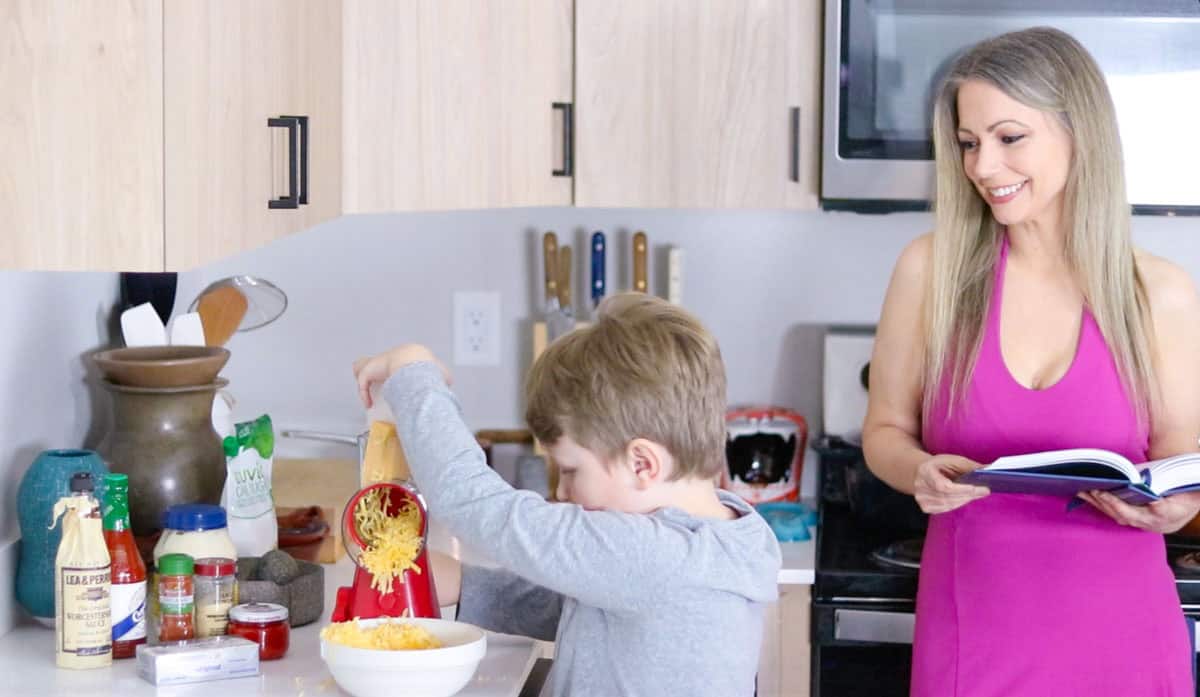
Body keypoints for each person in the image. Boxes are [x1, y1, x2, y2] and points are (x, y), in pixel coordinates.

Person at [863, 26, 1200, 697]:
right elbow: (883, 434)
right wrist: (917, 470)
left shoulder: (1159, 293)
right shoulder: (931, 272)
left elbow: (1184, 461)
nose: (983, 166)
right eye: (968, 143)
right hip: (973, 638)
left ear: (1080, 134)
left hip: (1126, 644)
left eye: (1009, 137)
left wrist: (1178, 505)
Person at [353, 292, 781, 697]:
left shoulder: (651, 552)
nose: (561, 490)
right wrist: (469, 586)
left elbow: (470, 499)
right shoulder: (728, 537)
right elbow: (591, 609)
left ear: (642, 464)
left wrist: (414, 375)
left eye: (572, 469)